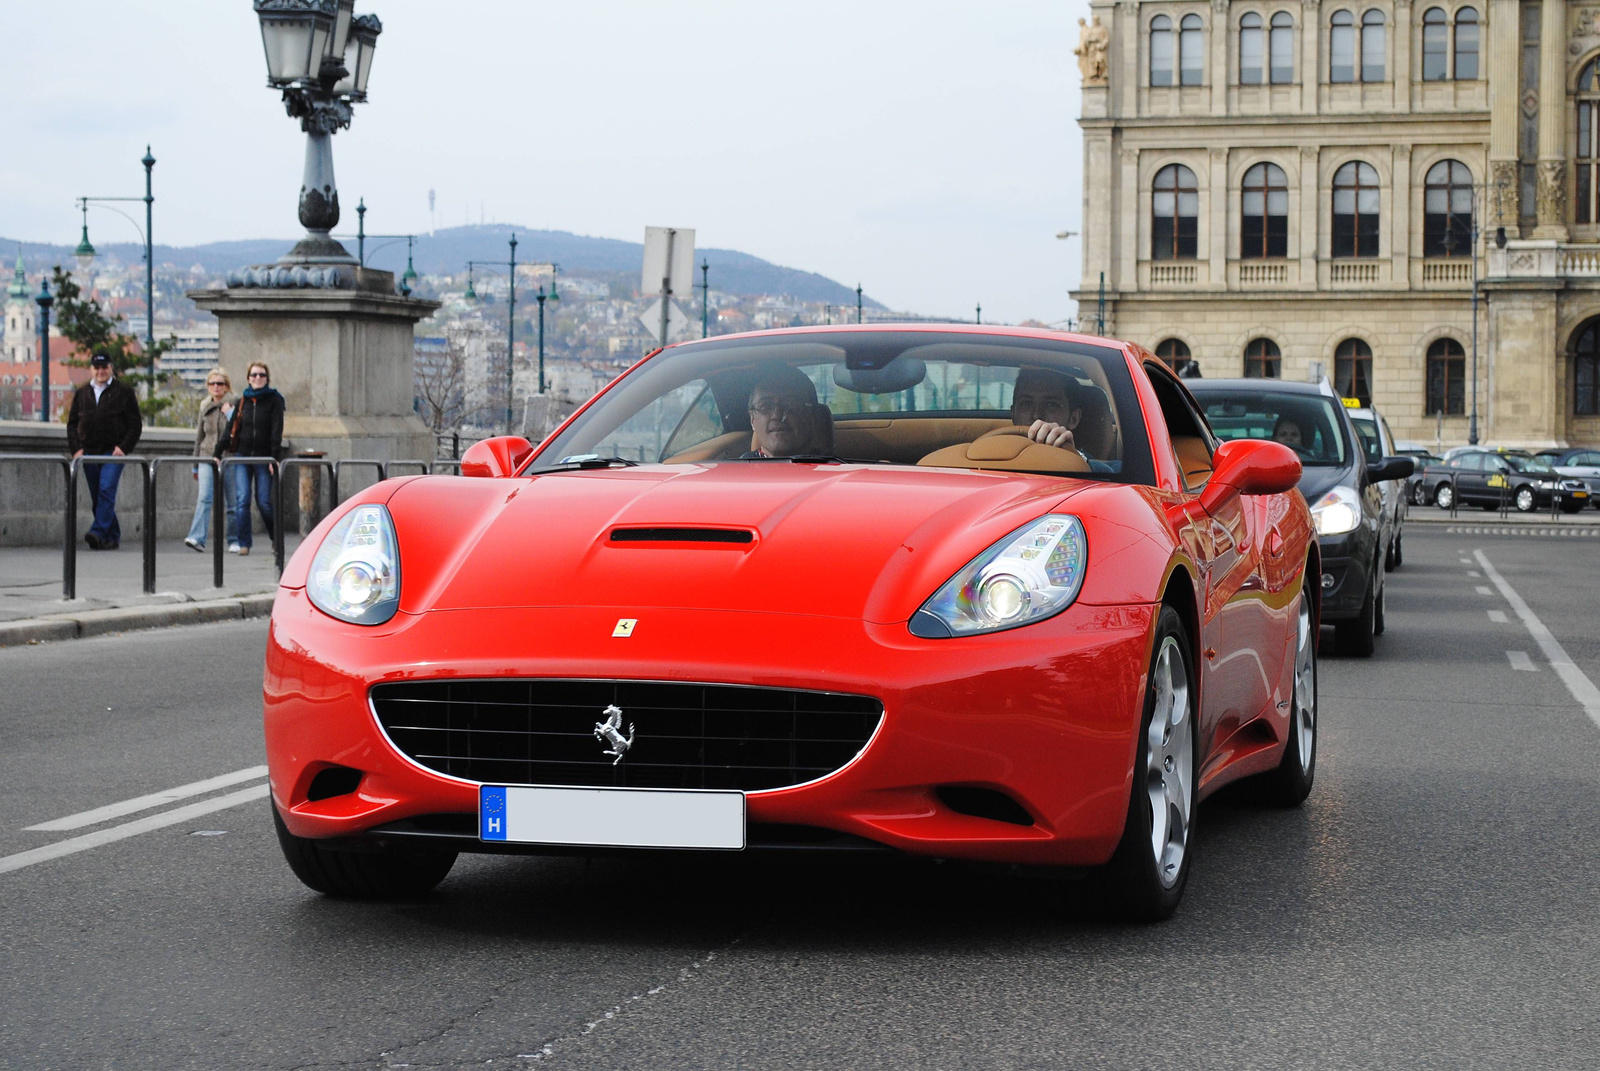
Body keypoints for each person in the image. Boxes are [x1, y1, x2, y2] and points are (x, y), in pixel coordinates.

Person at [66, 352, 142, 550]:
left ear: (111, 368)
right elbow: (72, 423)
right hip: (88, 450)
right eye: (97, 368)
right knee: (98, 496)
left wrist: (123, 447)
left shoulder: (123, 392)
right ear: (91, 369)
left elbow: (135, 424)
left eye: (104, 367)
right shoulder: (82, 393)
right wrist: (76, 449)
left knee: (107, 489)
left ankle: (98, 531)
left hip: (112, 451)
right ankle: (111, 537)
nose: (100, 371)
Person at [216, 361, 285, 556]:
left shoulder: (274, 400)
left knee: (263, 502)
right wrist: (217, 452)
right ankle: (244, 542)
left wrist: (274, 457)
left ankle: (275, 538)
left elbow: (276, 430)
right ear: (248, 378)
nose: (257, 378)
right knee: (242, 500)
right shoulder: (243, 401)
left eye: (261, 375)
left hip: (264, 457)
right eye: (254, 375)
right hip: (243, 456)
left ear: (267, 378)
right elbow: (232, 428)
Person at [184, 367, 236, 552]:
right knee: (205, 497)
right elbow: (199, 437)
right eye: (212, 383)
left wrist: (230, 413)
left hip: (228, 457)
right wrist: (195, 464)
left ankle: (234, 539)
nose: (216, 387)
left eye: (220, 383)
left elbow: (240, 427)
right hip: (207, 455)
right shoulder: (204, 406)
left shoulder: (234, 403)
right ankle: (197, 537)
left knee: (232, 501)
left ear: (226, 386)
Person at [743, 367, 827, 458]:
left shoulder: (837, 469)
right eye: (765, 406)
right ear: (752, 420)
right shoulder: (737, 470)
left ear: (813, 416)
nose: (777, 415)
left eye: (791, 405)